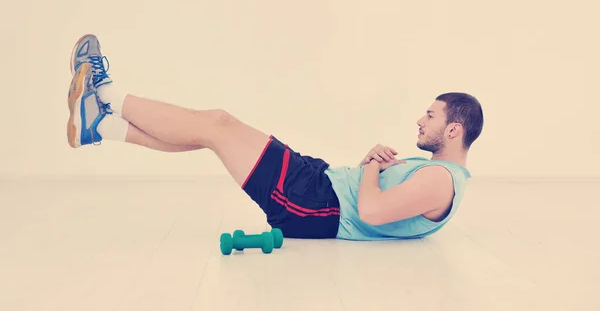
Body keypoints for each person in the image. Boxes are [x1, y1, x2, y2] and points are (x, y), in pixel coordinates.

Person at [67, 34, 484, 240]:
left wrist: (373, 167)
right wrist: (370, 165)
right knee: (214, 131)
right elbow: (373, 201)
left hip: (314, 204)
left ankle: (103, 93)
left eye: (430, 116)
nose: (419, 120)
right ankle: (100, 125)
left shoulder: (440, 180)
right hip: (318, 186)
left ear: (453, 130)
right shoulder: (436, 174)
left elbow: (371, 214)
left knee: (217, 124)